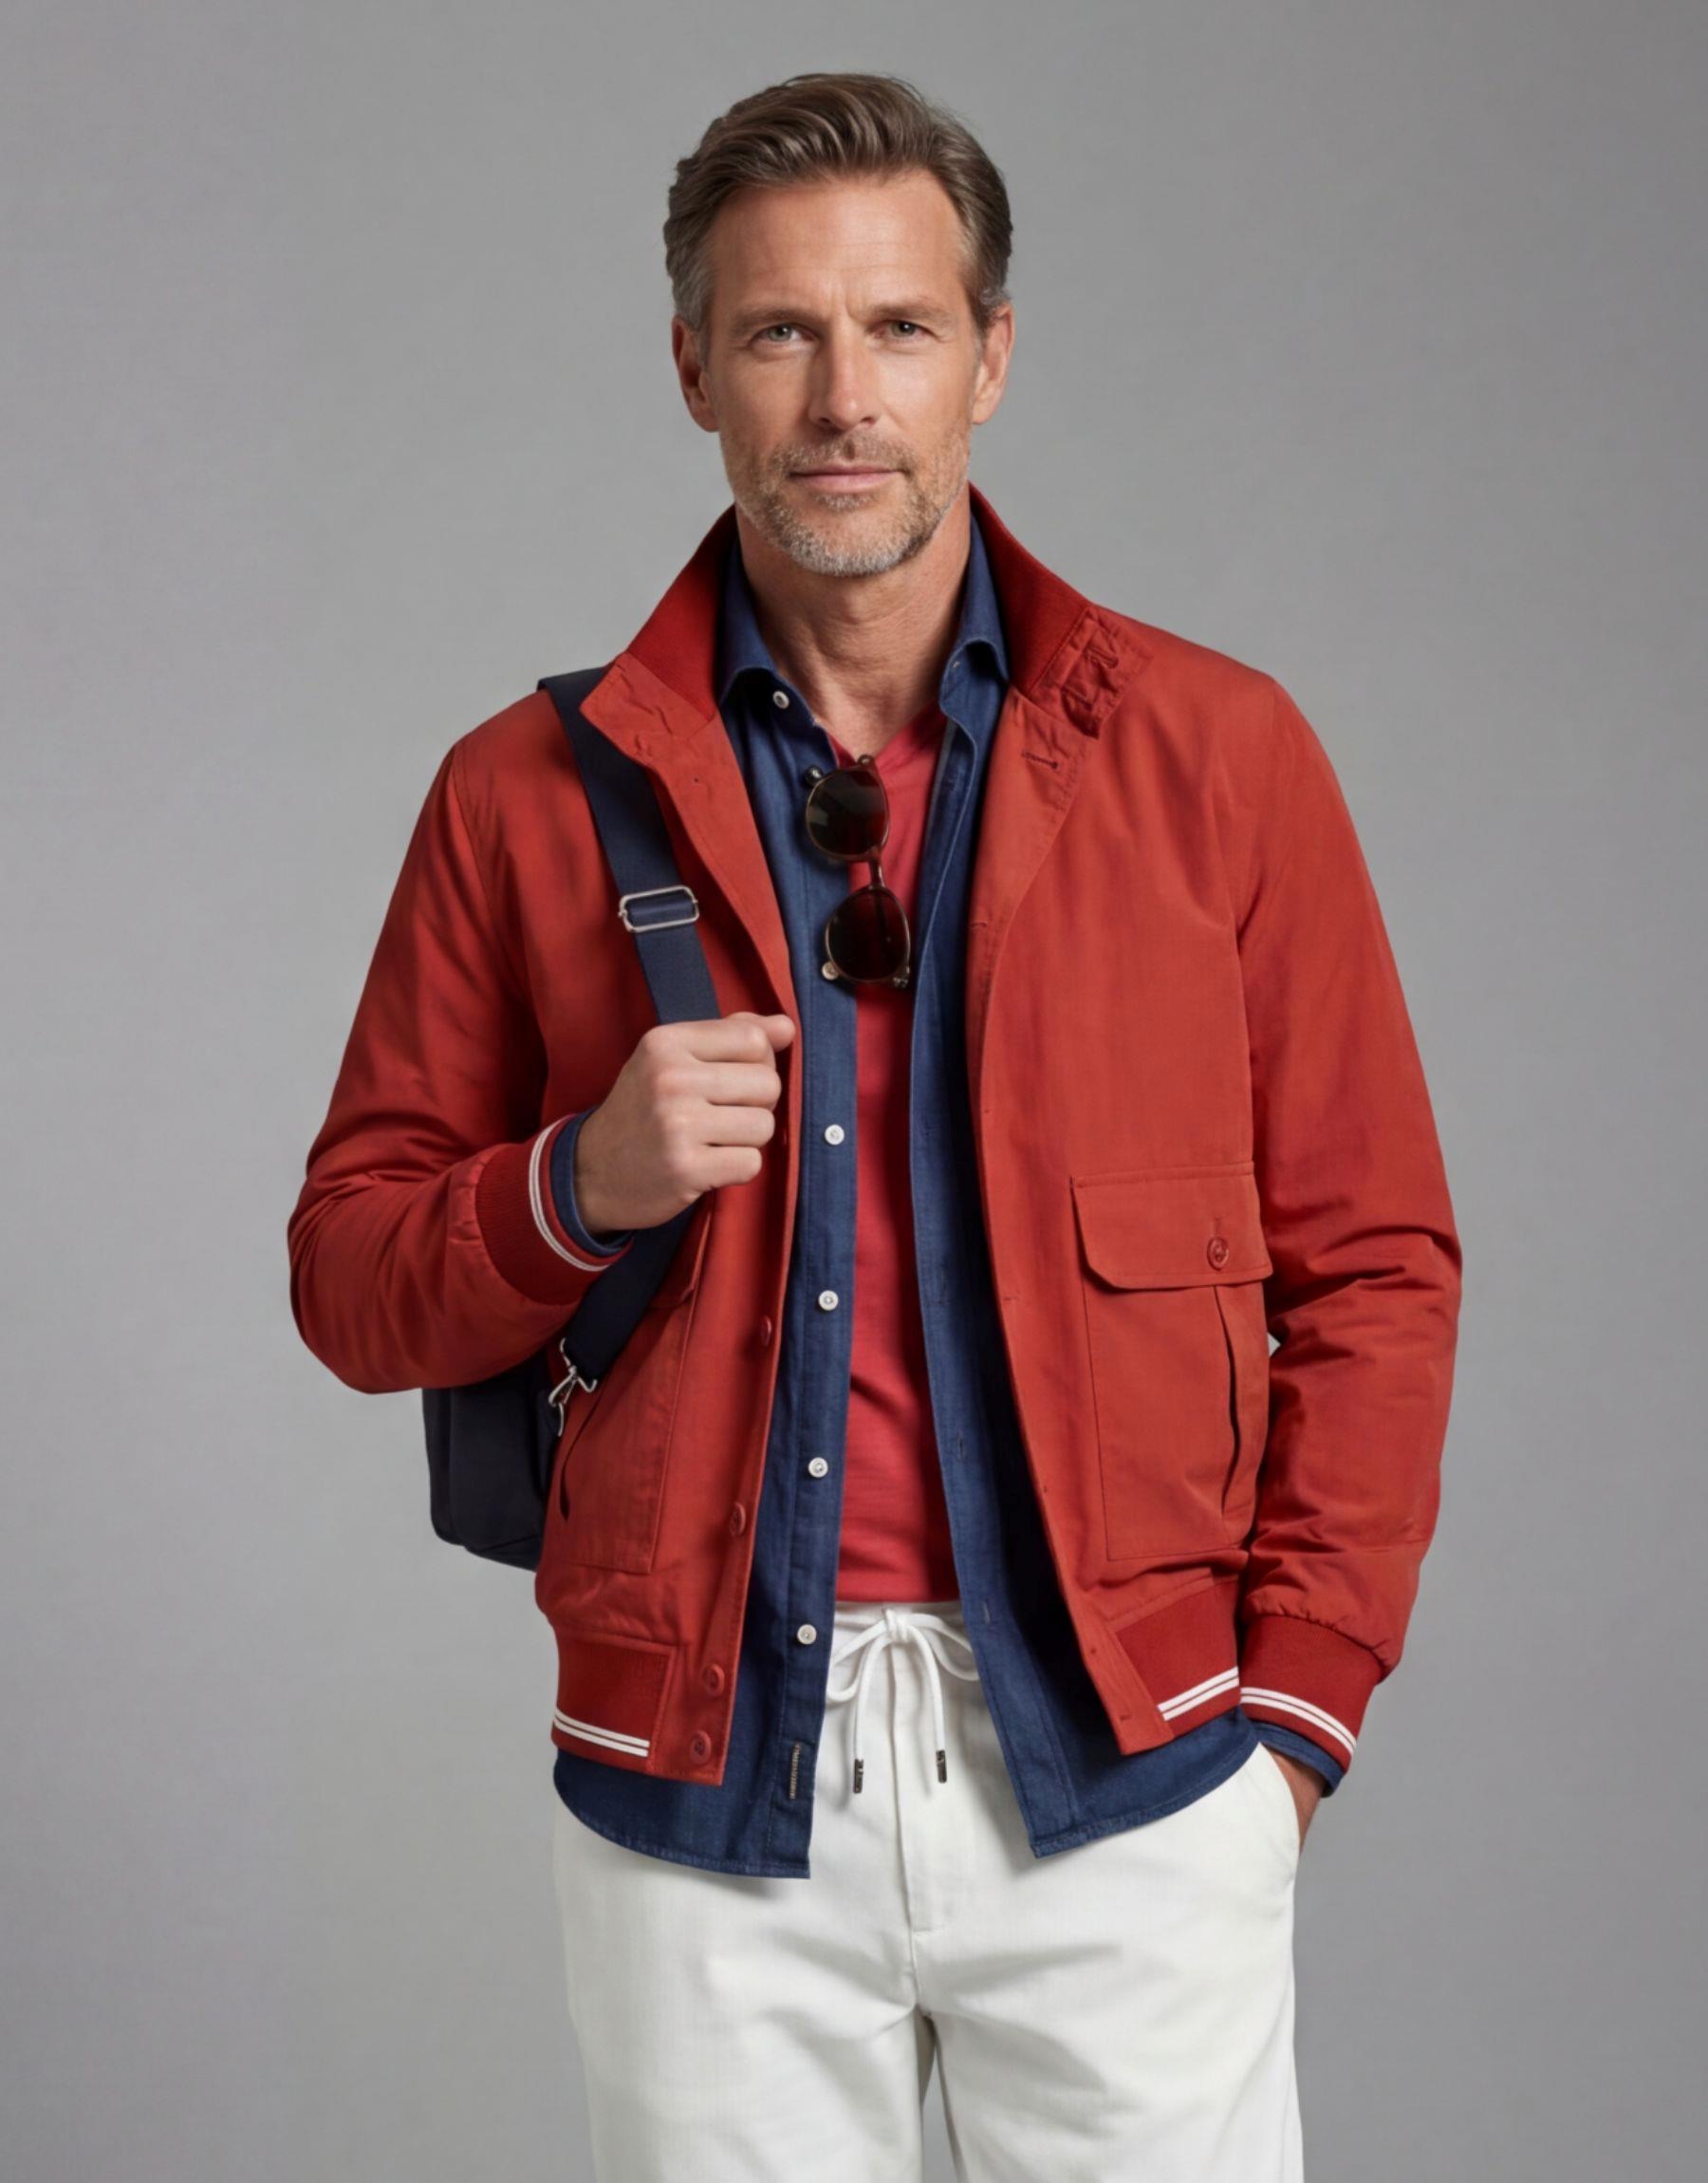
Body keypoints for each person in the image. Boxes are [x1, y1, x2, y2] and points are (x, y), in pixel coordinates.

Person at [288, 68, 1462, 2183]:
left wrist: (1293, 1715)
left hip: (1134, 1768)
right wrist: (576, 1187)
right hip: (703, 1787)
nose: (845, 397)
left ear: (989, 358)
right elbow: (349, 1275)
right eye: (780, 333)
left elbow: (1377, 1262)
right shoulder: (522, 797)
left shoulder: (1219, 758)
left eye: (899, 327)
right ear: (693, 372)